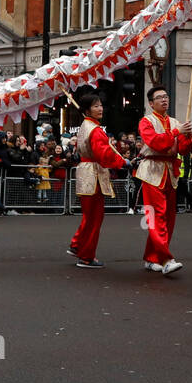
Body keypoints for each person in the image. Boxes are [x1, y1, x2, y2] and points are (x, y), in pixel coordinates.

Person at [135, 85, 192, 275]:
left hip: (170, 172)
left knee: (167, 218)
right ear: (151, 103)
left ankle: (153, 258)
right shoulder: (146, 122)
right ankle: (167, 258)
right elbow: (156, 143)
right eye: (159, 97)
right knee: (156, 216)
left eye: (166, 96)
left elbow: (183, 150)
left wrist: (189, 137)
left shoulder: (176, 121)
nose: (164, 100)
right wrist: (177, 133)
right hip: (152, 171)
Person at [67, 91, 127, 268]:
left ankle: (78, 245)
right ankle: (86, 256)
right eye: (95, 106)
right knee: (94, 217)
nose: (100, 108)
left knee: (90, 216)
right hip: (93, 174)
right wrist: (122, 162)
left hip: (88, 172)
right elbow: (104, 153)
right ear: (87, 110)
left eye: (100, 105)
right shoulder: (94, 129)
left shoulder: (87, 126)